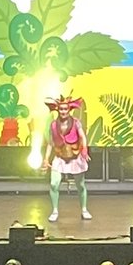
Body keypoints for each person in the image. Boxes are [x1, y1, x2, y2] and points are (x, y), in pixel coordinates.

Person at [42, 94, 91, 223]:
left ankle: (84, 209)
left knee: (80, 185)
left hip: (75, 156)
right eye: (61, 109)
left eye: (65, 109)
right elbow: (51, 143)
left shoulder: (76, 122)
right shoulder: (53, 125)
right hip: (60, 157)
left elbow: (82, 137)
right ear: (58, 110)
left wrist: (84, 150)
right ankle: (55, 211)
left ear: (69, 110)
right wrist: (46, 159)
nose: (63, 112)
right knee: (53, 184)